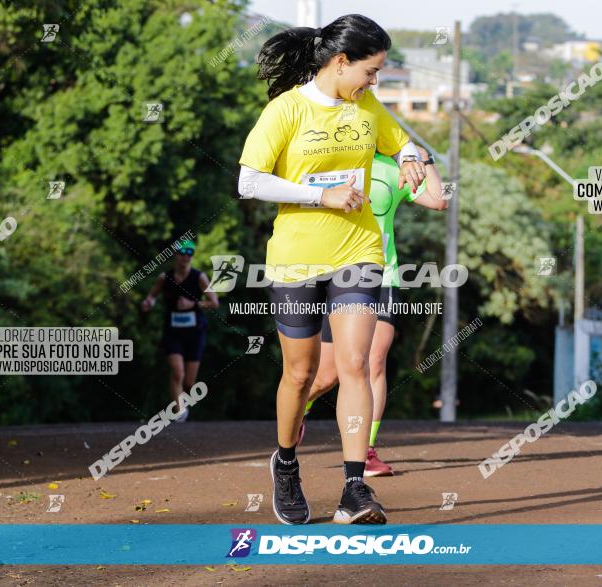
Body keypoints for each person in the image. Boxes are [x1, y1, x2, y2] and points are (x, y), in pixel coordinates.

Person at [237, 14, 426, 525]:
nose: (374, 82)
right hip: (297, 256)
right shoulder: (286, 110)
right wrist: (321, 195)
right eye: (370, 71)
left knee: (355, 365)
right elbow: (249, 182)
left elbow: (401, 139)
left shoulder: (365, 106)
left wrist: (410, 155)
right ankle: (286, 463)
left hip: (359, 251)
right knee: (299, 375)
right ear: (340, 63)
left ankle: (353, 489)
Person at [301, 145, 447, 476]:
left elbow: (439, 200)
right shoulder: (333, 160)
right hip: (338, 277)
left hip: (382, 276)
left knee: (374, 361)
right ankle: (298, 409)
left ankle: (365, 452)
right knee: (328, 375)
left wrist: (426, 158)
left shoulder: (394, 169)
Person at [142, 239, 219, 421]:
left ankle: (181, 402)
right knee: (177, 371)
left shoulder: (199, 277)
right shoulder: (164, 278)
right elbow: (152, 296)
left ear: (192, 256)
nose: (185, 256)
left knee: (189, 382)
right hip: (173, 331)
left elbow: (214, 303)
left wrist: (193, 304)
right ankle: (179, 410)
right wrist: (148, 303)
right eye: (181, 253)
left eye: (189, 253)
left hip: (195, 332)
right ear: (175, 255)